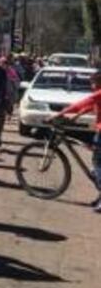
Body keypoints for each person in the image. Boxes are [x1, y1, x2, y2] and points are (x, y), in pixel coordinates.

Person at [51, 70, 101, 211]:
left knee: (98, 165)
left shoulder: (99, 93)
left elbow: (82, 103)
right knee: (96, 165)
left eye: (93, 82)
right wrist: (76, 116)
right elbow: (90, 106)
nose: (91, 85)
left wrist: (60, 114)